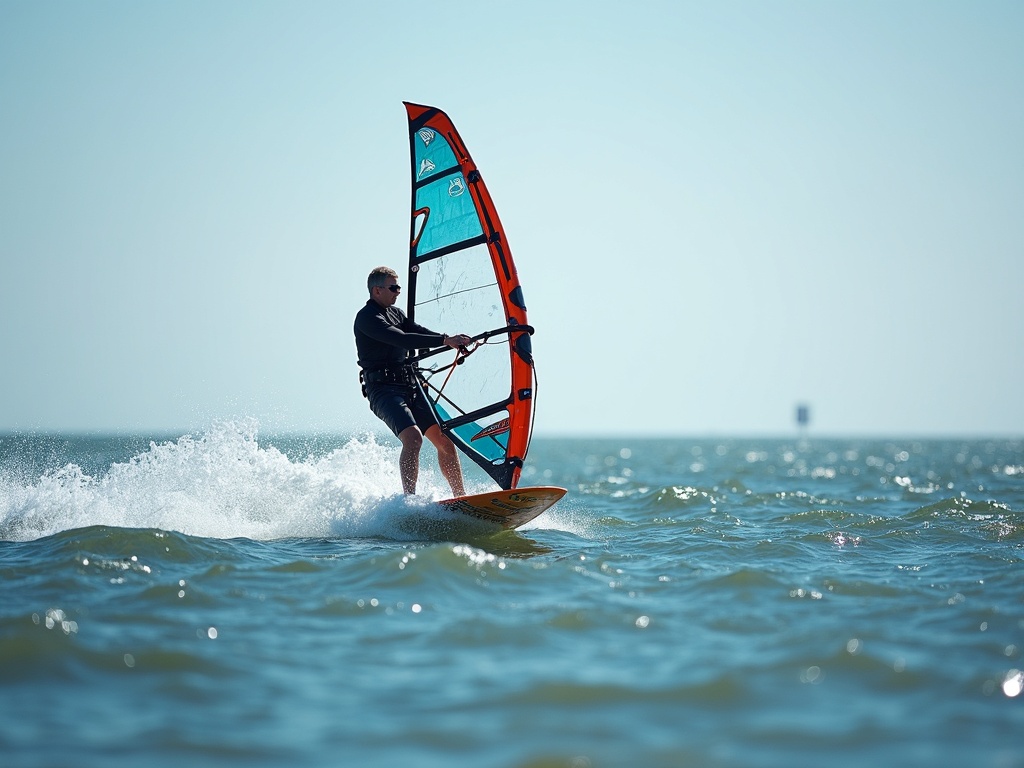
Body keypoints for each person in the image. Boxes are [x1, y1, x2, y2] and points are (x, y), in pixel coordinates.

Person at [354, 266, 473, 496]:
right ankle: (409, 500)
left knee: (444, 439)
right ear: (377, 290)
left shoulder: (396, 313)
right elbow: (401, 339)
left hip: (410, 385)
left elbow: (416, 330)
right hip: (383, 390)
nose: (398, 291)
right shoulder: (367, 317)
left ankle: (461, 498)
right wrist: (445, 340)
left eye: (399, 287)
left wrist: (450, 341)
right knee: (413, 437)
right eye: (394, 287)